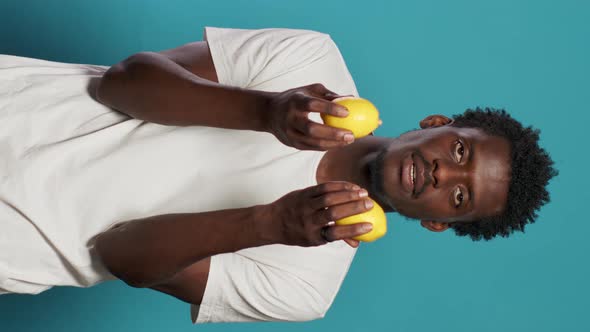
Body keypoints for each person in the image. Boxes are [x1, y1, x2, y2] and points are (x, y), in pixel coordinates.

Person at [0, 26, 557, 323]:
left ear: (437, 224)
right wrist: (263, 111)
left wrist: (268, 223)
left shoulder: (305, 287)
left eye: (459, 198)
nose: (441, 174)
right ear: (437, 123)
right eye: (459, 151)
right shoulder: (309, 63)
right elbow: (121, 84)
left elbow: (122, 257)